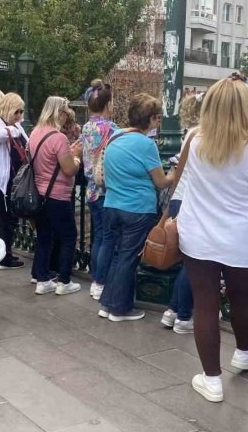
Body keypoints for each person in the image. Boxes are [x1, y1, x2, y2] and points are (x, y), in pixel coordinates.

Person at [174, 77, 248, 403]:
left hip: (198, 233)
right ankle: (245, 353)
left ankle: (212, 379)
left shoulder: (194, 138)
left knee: (206, 303)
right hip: (239, 236)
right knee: (242, 297)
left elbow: (183, 176)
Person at [98, 93, 173, 321]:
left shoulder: (115, 136)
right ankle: (120, 309)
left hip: (112, 205)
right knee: (129, 258)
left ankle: (107, 304)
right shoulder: (146, 144)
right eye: (157, 118)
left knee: (118, 254)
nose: (158, 122)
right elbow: (160, 182)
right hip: (137, 209)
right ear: (150, 119)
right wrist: (175, 173)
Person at [29, 97, 83, 295]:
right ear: (59, 113)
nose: (67, 116)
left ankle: (42, 279)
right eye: (66, 113)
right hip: (58, 195)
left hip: (40, 194)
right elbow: (69, 169)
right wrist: (76, 154)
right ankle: (64, 281)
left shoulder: (35, 133)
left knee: (44, 236)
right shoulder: (58, 137)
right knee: (69, 236)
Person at [160, 92, 202, 334]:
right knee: (192, 262)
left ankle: (173, 310)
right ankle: (182, 315)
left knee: (187, 260)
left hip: (179, 199)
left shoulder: (190, 133)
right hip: (191, 202)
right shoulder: (201, 135)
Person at [80, 79, 117, 300]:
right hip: (106, 189)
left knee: (98, 235)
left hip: (90, 190)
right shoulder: (111, 128)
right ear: (108, 104)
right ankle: (100, 281)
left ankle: (96, 276)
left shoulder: (86, 127)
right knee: (108, 237)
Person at [0, 92, 27, 269]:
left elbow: (27, 140)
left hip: (5, 179)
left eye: (21, 112)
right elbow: (1, 136)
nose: (19, 116)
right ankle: (1, 257)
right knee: (1, 219)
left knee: (3, 218)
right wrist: (15, 128)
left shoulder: (8, 124)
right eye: (17, 111)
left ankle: (2, 253)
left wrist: (16, 127)